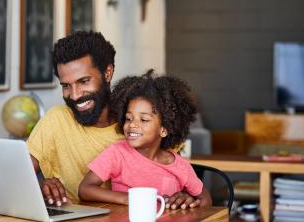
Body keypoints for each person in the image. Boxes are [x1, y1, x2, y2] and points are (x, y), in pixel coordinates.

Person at [27, 31, 210, 209]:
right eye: (66, 85)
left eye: (84, 81)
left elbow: (175, 177)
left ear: (107, 72)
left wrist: (186, 197)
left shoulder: (145, 126)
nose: (74, 95)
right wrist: (40, 186)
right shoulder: (56, 120)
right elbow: (15, 177)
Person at [78, 70, 212, 209]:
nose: (132, 124)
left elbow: (206, 199)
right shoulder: (117, 153)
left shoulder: (180, 166)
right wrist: (129, 199)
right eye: (129, 118)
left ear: (164, 129)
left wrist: (188, 200)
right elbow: (85, 189)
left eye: (144, 119)